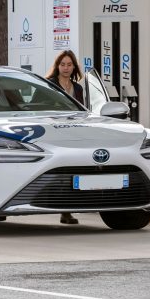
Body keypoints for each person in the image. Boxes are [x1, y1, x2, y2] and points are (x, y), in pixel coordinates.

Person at [45, 50, 85, 225]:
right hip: (54, 132)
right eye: (63, 64)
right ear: (57, 66)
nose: (66, 68)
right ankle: (61, 208)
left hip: (74, 133)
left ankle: (66, 211)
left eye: (69, 64)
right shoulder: (48, 84)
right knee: (59, 171)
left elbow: (81, 111)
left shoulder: (78, 88)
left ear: (74, 67)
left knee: (73, 171)